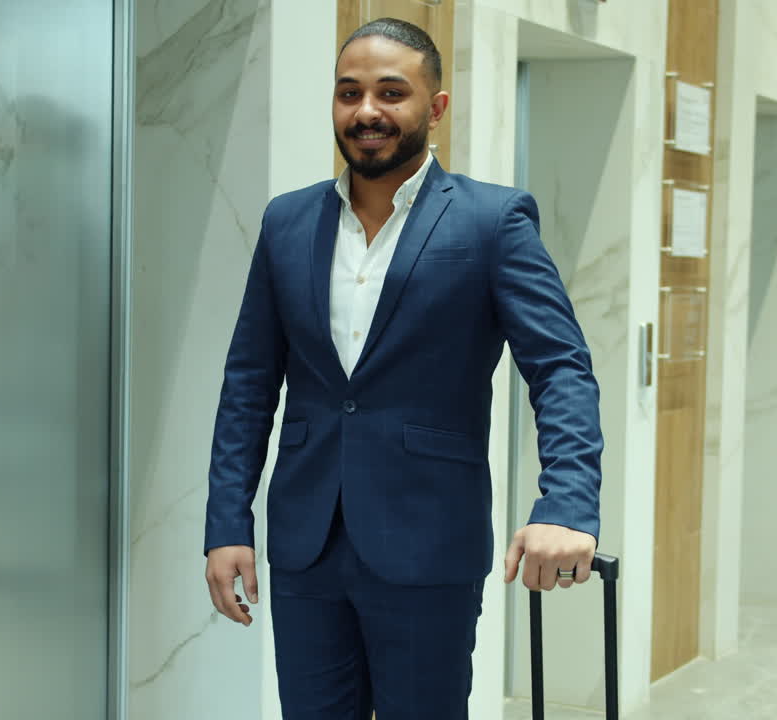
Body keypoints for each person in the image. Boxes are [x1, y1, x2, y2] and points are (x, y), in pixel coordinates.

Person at [202, 17, 603, 720]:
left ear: (435, 106)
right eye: (349, 93)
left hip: (429, 542)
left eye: (391, 93)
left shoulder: (492, 221)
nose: (367, 111)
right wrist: (227, 522)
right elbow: (249, 385)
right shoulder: (286, 223)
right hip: (306, 546)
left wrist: (567, 503)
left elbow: (561, 368)